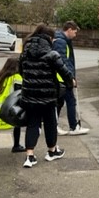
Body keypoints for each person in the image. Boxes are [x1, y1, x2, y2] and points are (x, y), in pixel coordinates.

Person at [19, 24, 74, 168]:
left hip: (29, 94)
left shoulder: (25, 52)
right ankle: (52, 151)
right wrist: (71, 82)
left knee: (33, 123)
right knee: (50, 123)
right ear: (49, 38)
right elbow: (64, 72)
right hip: (48, 96)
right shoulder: (51, 54)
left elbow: (20, 70)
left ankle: (29, 156)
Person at [53, 20, 89, 136]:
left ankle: (55, 126)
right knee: (70, 101)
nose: (75, 34)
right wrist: (70, 77)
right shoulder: (61, 42)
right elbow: (63, 62)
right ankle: (73, 127)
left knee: (60, 102)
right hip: (62, 78)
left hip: (61, 78)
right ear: (69, 30)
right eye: (74, 32)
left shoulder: (63, 41)